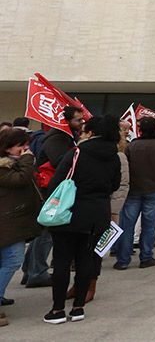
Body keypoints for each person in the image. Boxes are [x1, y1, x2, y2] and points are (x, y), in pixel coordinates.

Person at [44, 114, 121, 325]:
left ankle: (57, 309)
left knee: (61, 261)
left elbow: (58, 181)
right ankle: (78, 308)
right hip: (98, 214)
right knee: (87, 260)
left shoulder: (78, 152)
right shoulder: (114, 155)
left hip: (70, 212)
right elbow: (115, 184)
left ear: (91, 132)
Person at [23, 106, 83, 290]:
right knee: (46, 233)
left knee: (43, 231)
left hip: (52, 190)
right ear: (66, 121)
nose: (81, 123)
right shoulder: (58, 138)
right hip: (51, 191)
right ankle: (37, 272)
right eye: (77, 120)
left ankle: (31, 270)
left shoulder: (63, 137)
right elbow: (61, 162)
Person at [114, 117, 155, 269]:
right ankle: (146, 256)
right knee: (149, 225)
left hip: (134, 189)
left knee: (127, 225)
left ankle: (123, 260)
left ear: (140, 130)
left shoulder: (132, 146)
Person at [0, 129, 41, 325]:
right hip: (7, 222)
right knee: (13, 260)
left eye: (27, 145)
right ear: (7, 147)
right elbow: (20, 180)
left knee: (6, 261)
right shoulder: (4, 167)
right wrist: (27, 161)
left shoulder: (14, 164)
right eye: (21, 146)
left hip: (12, 220)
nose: (25, 149)